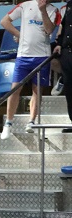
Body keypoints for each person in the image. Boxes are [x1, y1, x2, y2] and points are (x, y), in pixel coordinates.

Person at [0, 0, 61, 140]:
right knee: (15, 89)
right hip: (23, 56)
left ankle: (31, 121)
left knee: (37, 90)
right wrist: (20, 35)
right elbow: (4, 21)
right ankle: (8, 123)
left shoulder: (54, 10)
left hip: (42, 56)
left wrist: (43, 10)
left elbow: (49, 30)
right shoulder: (24, 5)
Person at [53, 1, 72, 130]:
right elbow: (64, 25)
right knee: (69, 89)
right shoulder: (69, 5)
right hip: (67, 51)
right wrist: (59, 43)